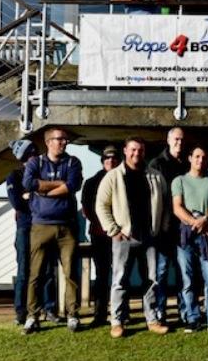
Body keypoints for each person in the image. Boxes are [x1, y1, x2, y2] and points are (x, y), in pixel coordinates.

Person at [95, 137, 170, 338]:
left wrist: (161, 228)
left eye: (141, 150)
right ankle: (117, 322)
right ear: (126, 151)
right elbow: (101, 205)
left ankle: (152, 319)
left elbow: (165, 204)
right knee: (120, 280)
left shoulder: (155, 176)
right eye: (133, 150)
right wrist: (113, 230)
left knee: (151, 280)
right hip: (124, 237)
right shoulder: (113, 177)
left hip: (150, 238)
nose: (137, 153)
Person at [22, 127, 83, 335]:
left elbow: (73, 184)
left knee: (70, 273)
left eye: (65, 140)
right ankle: (32, 316)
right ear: (48, 142)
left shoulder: (72, 162)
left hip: (67, 227)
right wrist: (59, 185)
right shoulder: (35, 162)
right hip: (40, 226)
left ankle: (72, 315)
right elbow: (29, 183)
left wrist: (45, 190)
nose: (64, 143)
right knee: (35, 274)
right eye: (59, 139)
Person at [172, 145, 208, 334]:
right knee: (187, 279)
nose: (200, 160)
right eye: (196, 156)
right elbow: (177, 207)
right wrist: (195, 222)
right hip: (185, 236)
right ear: (190, 158)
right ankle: (192, 318)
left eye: (203, 157)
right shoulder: (179, 181)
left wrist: (206, 219)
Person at [6, 139, 57, 326]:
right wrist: (40, 197)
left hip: (44, 225)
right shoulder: (14, 176)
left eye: (34, 154)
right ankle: (21, 311)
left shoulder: (46, 174)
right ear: (22, 158)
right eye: (28, 156)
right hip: (25, 227)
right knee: (24, 270)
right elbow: (17, 203)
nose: (31, 158)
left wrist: (31, 196)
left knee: (47, 269)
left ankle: (49, 308)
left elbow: (56, 197)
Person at [148, 127, 189, 323]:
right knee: (162, 272)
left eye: (181, 139)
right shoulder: (157, 164)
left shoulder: (187, 164)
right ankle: (160, 309)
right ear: (168, 140)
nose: (179, 142)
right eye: (176, 139)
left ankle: (184, 310)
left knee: (184, 271)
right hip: (164, 228)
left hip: (184, 227)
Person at [81, 144, 120, 326]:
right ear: (102, 161)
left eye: (113, 158)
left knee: (121, 276)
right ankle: (100, 314)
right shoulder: (90, 182)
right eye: (107, 158)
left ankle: (121, 313)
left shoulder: (125, 179)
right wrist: (106, 225)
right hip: (100, 234)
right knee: (102, 275)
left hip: (121, 236)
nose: (110, 161)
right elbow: (87, 209)